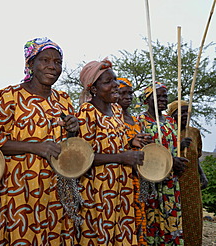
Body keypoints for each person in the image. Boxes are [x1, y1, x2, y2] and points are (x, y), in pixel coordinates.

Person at [0, 37, 79, 245]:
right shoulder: (8, 97)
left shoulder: (64, 100)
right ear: (30, 63)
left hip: (57, 190)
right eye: (44, 60)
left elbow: (71, 148)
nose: (52, 66)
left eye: (57, 62)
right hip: (18, 190)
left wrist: (73, 131)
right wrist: (35, 147)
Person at [76, 59, 147, 245]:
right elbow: (82, 158)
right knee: (100, 236)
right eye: (108, 82)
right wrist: (122, 157)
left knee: (121, 234)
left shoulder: (116, 110)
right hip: (97, 190)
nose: (115, 85)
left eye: (114, 79)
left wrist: (132, 141)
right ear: (93, 89)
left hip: (121, 188)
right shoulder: (86, 113)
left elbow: (115, 142)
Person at [137, 82, 188, 246]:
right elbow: (144, 153)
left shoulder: (170, 122)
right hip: (150, 180)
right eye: (157, 96)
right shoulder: (140, 121)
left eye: (165, 96)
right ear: (147, 99)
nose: (162, 99)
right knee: (152, 219)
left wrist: (178, 163)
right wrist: (170, 162)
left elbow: (173, 149)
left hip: (170, 182)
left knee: (170, 220)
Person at [167, 100, 208, 246]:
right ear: (172, 115)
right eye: (181, 112)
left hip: (192, 183)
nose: (185, 115)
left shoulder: (194, 132)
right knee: (177, 218)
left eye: (187, 112)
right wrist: (178, 145)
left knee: (193, 217)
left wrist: (202, 175)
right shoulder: (168, 132)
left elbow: (196, 157)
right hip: (174, 182)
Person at [117, 78, 149, 245]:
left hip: (138, 176)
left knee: (138, 217)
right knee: (124, 217)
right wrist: (129, 142)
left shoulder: (136, 120)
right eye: (123, 93)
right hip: (122, 176)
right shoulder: (113, 119)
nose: (128, 96)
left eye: (130, 93)